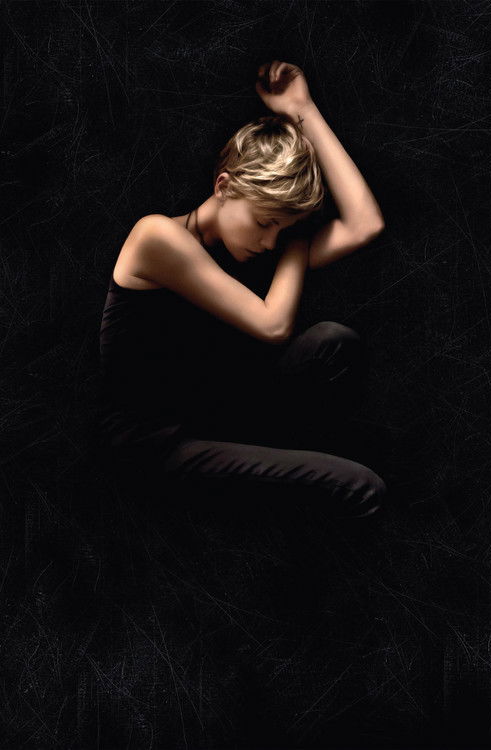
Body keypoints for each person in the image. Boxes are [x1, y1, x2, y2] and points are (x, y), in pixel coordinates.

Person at [98, 60, 387, 520]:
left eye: (281, 230)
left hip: (220, 416)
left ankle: (288, 463)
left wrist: (302, 109)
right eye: (264, 222)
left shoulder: (251, 249)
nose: (269, 241)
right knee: (363, 487)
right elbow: (273, 325)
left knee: (334, 343)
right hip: (156, 448)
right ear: (224, 185)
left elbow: (364, 223)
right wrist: (297, 239)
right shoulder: (157, 238)